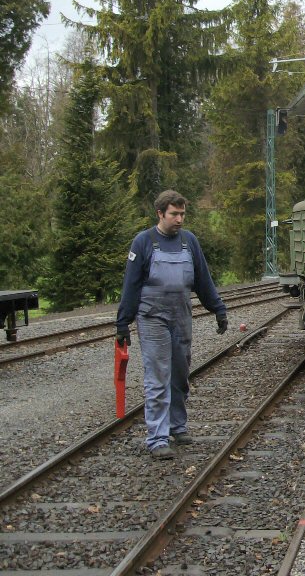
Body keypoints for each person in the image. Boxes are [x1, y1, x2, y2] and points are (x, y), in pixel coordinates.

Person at [115, 190, 227, 460]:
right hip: (152, 317)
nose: (179, 219)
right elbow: (131, 285)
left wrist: (218, 309)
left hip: (181, 315)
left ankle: (177, 426)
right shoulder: (143, 242)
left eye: (182, 214)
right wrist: (123, 322)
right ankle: (157, 438)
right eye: (174, 214)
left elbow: (203, 279)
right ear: (160, 214)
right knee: (158, 377)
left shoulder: (189, 242)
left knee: (179, 374)